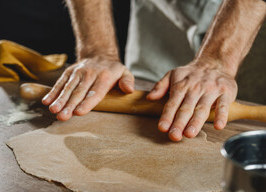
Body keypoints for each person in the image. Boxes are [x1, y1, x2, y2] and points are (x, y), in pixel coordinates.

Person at [42, 0, 266, 142]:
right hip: (163, 10)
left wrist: (217, 60)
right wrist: (97, 50)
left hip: (252, 14)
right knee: (148, 89)